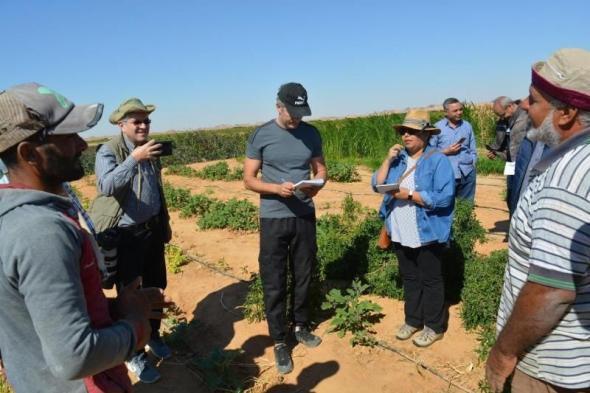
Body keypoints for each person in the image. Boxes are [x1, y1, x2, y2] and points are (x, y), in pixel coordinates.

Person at [0, 82, 169, 393]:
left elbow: (41, 318)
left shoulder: (18, 218)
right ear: (30, 154)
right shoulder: (41, 231)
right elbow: (75, 358)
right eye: (68, 138)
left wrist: (114, 311)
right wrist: (134, 326)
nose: (81, 145)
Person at [486, 48, 590, 392]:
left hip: (553, 363)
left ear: (567, 112)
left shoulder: (567, 179)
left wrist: (503, 351)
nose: (525, 107)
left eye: (533, 100)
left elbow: (551, 290)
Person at [243, 82, 327, 374]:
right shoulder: (261, 135)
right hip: (273, 217)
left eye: (301, 113)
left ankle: (301, 325)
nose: (297, 118)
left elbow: (320, 168)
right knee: (274, 277)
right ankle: (279, 340)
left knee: (304, 273)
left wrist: (318, 185)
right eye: (292, 112)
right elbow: (249, 179)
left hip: (304, 214)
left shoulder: (311, 133)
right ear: (279, 107)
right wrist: (276, 189)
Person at [89, 98, 172, 384]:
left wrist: (165, 224)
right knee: (130, 296)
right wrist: (133, 159)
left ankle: (155, 335)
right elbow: (106, 185)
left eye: (146, 120)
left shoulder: (151, 150)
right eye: (137, 121)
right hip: (126, 236)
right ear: (122, 125)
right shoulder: (109, 151)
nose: (144, 125)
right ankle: (135, 354)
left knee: (156, 286)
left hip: (151, 231)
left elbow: (156, 191)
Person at [372, 109, 455, 347]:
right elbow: (376, 184)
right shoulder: (398, 160)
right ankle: (413, 320)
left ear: (425, 135)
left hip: (427, 230)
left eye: (412, 132)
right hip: (399, 228)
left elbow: (443, 198)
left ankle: (434, 326)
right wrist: (387, 160)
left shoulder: (437, 160)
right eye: (404, 131)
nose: (406, 135)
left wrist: (407, 194)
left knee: (430, 279)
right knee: (409, 277)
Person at [429, 98, 478, 201]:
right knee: (445, 205)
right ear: (446, 112)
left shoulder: (467, 126)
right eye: (455, 111)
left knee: (466, 206)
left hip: (467, 172)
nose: (459, 113)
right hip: (446, 173)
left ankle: (465, 218)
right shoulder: (437, 128)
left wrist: (473, 162)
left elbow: (473, 149)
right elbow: (429, 153)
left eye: (461, 109)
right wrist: (446, 151)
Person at [487, 96, 530, 163]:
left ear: (510, 106)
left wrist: (497, 153)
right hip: (512, 164)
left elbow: (513, 156)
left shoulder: (521, 123)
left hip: (521, 163)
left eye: (503, 115)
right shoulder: (509, 118)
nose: (501, 118)